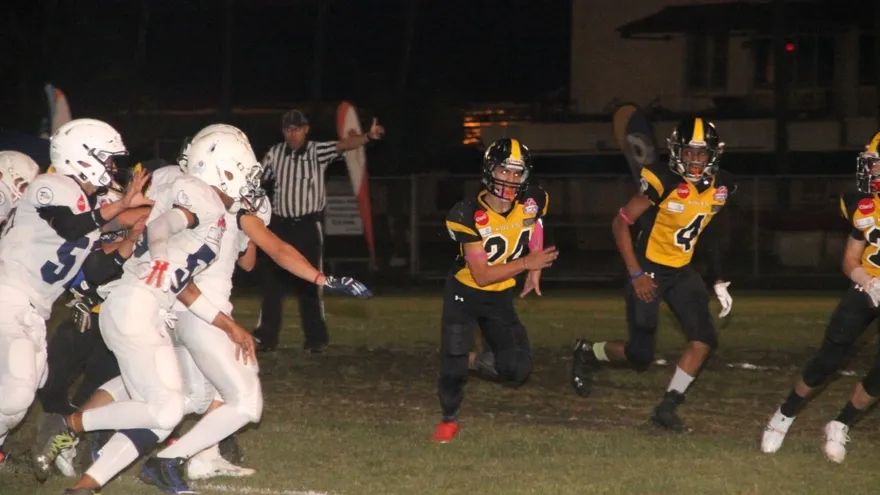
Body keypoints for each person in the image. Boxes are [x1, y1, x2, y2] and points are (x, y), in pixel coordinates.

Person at [31, 129, 259, 493]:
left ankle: (85, 486)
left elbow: (183, 284)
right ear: (224, 171)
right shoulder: (201, 197)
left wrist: (228, 325)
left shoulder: (214, 212)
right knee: (165, 410)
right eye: (244, 171)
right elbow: (165, 225)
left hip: (146, 309)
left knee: (172, 407)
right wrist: (162, 253)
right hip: (135, 306)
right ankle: (69, 425)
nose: (250, 181)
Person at [570, 118, 735, 433]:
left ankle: (668, 406)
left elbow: (710, 231)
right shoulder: (663, 181)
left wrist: (718, 278)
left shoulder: (723, 185)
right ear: (678, 153)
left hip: (682, 270)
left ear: (713, 154)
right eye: (690, 153)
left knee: (704, 339)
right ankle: (588, 351)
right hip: (649, 266)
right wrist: (636, 273)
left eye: (702, 153)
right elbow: (621, 223)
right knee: (639, 355)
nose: (695, 160)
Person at [0, 118, 147, 466]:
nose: (112, 168)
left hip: (35, 309)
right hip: (8, 295)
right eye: (107, 160)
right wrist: (122, 206)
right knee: (18, 388)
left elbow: (93, 269)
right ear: (83, 157)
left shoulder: (85, 207)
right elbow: (70, 226)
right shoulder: (52, 185)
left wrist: (130, 240)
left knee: (25, 387)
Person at [761, 131, 880, 463]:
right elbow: (849, 260)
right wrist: (868, 282)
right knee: (827, 361)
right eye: (872, 166)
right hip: (867, 287)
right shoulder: (862, 203)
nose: (872, 173)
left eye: (878, 167)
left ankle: (840, 424)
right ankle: (784, 414)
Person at [433, 138, 558, 443]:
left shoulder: (533, 199)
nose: (511, 179)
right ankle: (448, 419)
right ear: (490, 170)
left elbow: (535, 224)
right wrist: (528, 262)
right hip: (465, 293)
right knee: (452, 369)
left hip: (499, 297)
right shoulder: (466, 212)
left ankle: (472, 359)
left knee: (517, 369)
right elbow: (482, 275)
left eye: (517, 173)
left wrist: (536, 265)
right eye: (505, 170)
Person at [253, 109, 384, 353]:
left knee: (311, 281)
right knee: (272, 284)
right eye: (289, 129)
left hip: (308, 226)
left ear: (306, 129)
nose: (293, 134)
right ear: (283, 131)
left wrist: (369, 137)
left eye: (298, 128)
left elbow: (344, 145)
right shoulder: (275, 154)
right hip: (281, 225)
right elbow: (257, 180)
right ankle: (265, 337)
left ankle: (316, 339)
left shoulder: (316, 151)